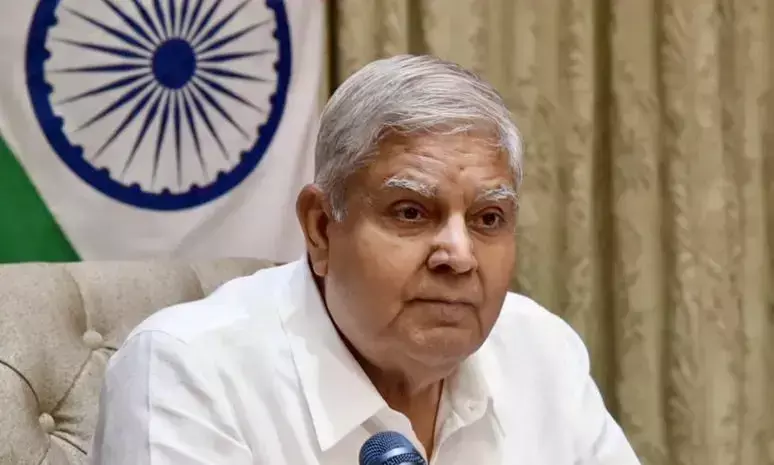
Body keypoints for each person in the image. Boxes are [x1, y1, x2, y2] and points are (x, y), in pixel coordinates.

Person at [89, 54, 641, 464]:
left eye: (488, 218)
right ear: (321, 228)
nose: (459, 254)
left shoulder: (542, 350)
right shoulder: (187, 372)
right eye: (411, 212)